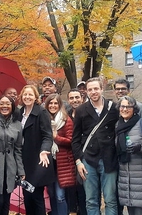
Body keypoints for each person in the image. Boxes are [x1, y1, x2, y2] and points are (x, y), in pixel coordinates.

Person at [72, 77, 120, 215]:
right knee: (91, 200)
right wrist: (78, 161)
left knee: (110, 199)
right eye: (90, 89)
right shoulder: (81, 110)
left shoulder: (113, 107)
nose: (93, 92)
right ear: (86, 92)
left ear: (102, 89)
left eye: (96, 88)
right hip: (88, 159)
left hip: (109, 158)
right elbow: (75, 139)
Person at [18, 84, 55, 215]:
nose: (27, 97)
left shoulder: (41, 112)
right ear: (22, 96)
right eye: (25, 94)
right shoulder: (19, 113)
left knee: (36, 196)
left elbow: (47, 135)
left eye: (30, 94)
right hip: (23, 160)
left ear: (35, 97)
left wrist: (44, 150)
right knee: (26, 196)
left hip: (38, 159)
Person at [45, 94, 76, 215]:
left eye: (55, 103)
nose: (53, 106)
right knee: (51, 194)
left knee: (60, 196)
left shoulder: (65, 119)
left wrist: (56, 137)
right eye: (50, 103)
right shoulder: (44, 119)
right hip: (48, 162)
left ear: (59, 105)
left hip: (62, 163)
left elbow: (71, 141)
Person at [65, 89, 87, 215]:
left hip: (84, 156)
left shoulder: (87, 113)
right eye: (72, 98)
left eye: (77, 97)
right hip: (68, 158)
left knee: (83, 191)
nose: (75, 100)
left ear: (82, 98)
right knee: (71, 191)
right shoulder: (65, 116)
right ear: (68, 100)